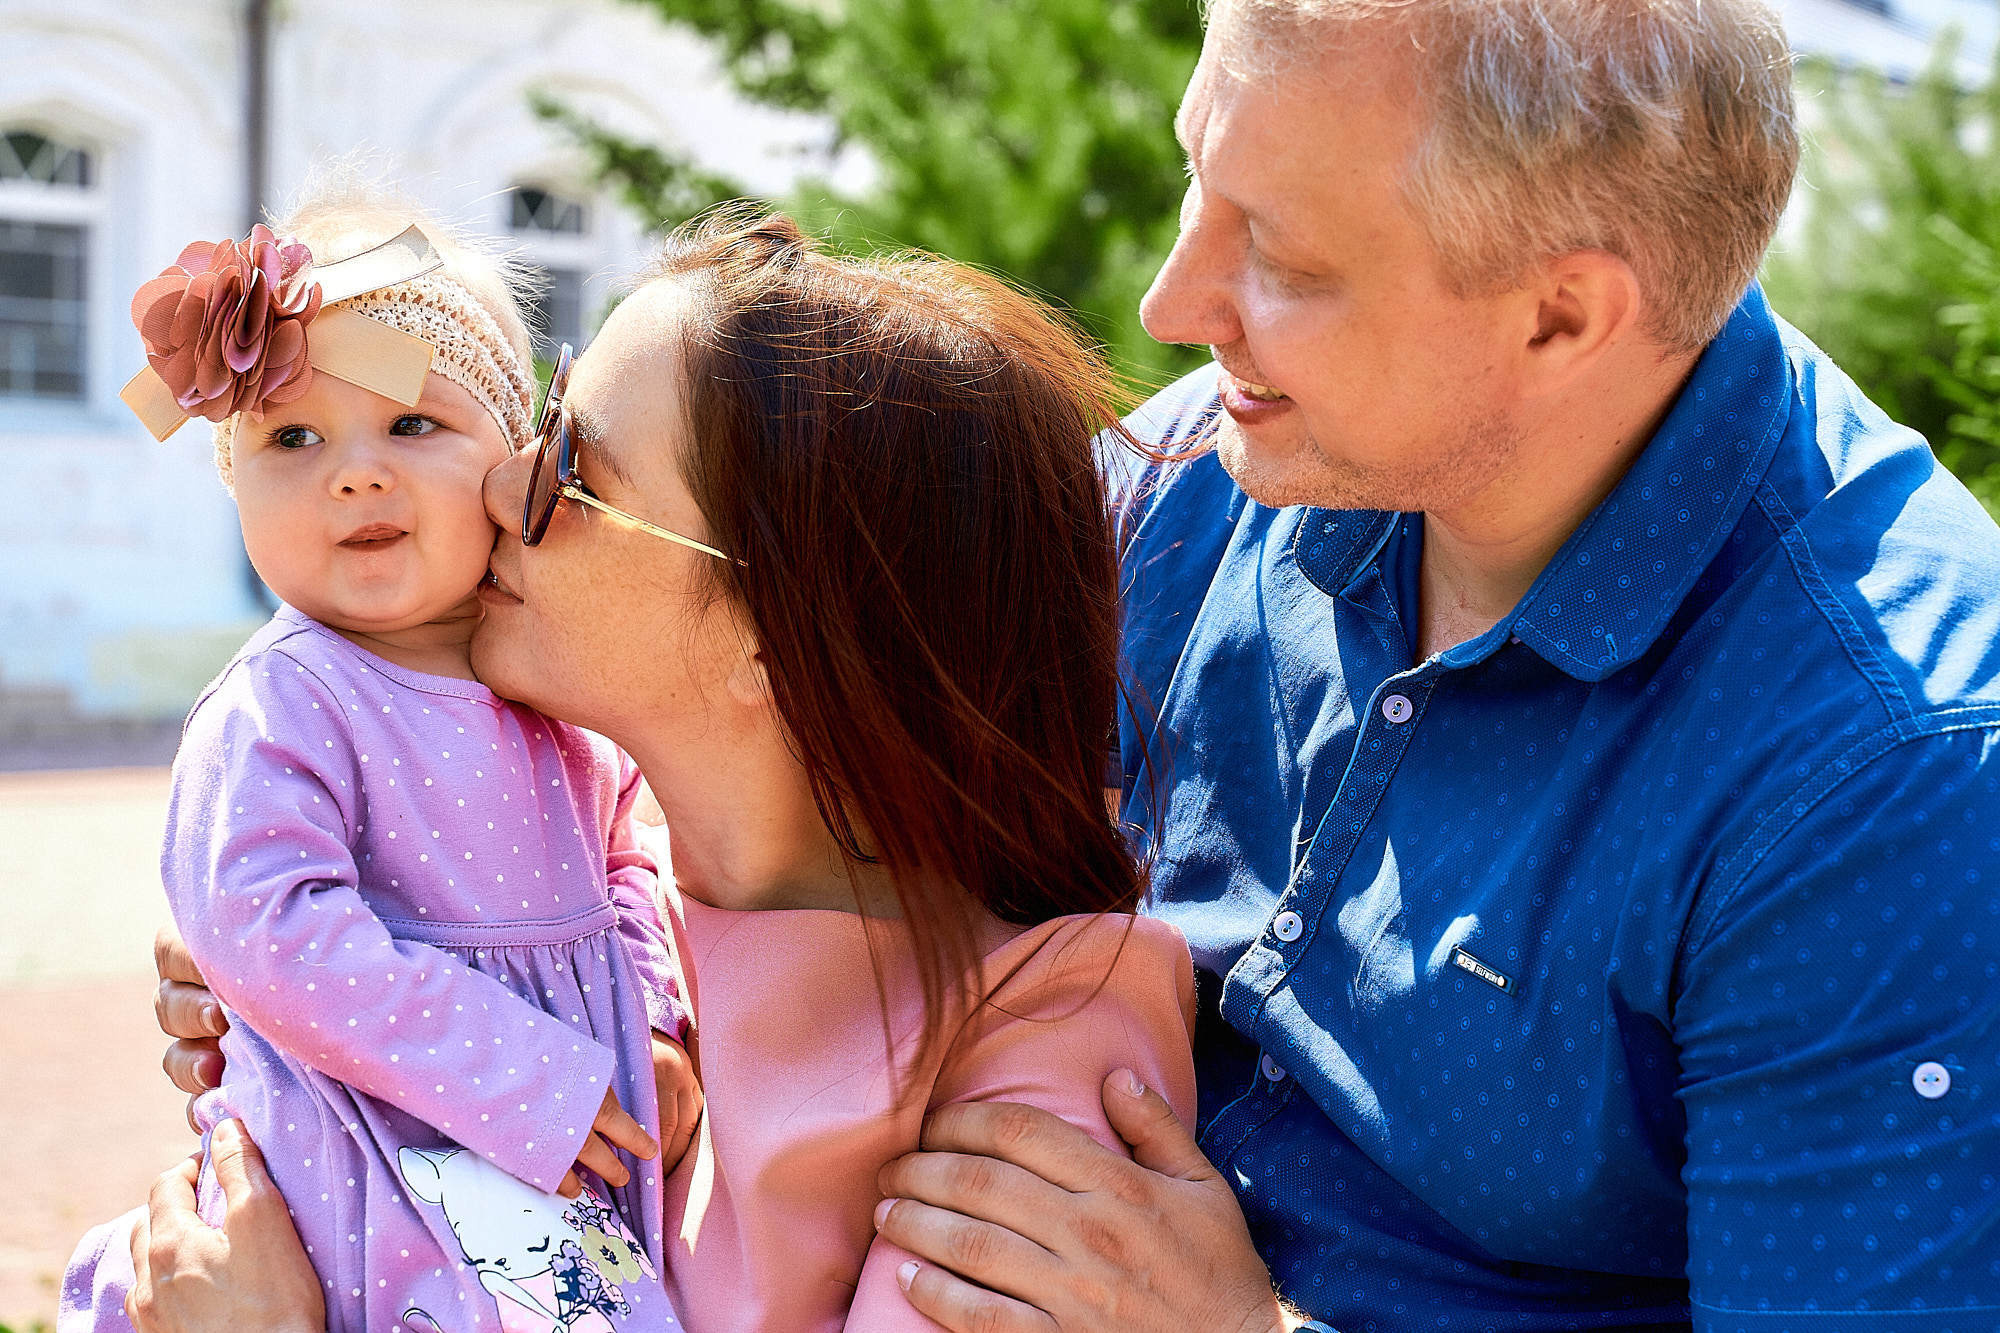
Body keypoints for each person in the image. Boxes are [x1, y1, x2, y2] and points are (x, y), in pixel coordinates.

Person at [863, 1, 2000, 1329]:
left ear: (1563, 316)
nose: (1171, 305)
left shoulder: (1891, 783)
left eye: (1279, 254)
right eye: (1197, 176)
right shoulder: (1212, 477)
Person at [127, 206, 1200, 1332]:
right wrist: (295, 960)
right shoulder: (609, 922)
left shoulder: (1041, 1063)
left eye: (571, 471)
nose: (498, 485)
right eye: (539, 424)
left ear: (770, 631)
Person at [65, 187, 694, 1333]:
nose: (354, 472)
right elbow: (269, 929)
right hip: (371, 1163)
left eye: (412, 425)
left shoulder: (556, 690)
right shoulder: (287, 699)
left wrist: (653, 1023)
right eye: (292, 438)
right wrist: (518, 1074)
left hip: (565, 1144)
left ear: (511, 461)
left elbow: (630, 867)